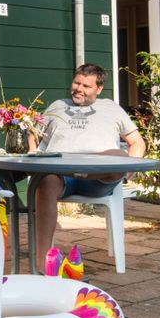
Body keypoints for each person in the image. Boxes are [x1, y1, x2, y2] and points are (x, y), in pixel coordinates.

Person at [32, 63, 146, 271]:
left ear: (99, 89)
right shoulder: (57, 106)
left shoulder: (111, 108)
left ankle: (83, 169)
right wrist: (33, 153)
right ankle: (42, 265)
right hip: (61, 177)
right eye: (77, 83)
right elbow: (33, 133)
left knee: (118, 157)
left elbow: (137, 142)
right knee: (45, 180)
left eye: (86, 86)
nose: (79, 89)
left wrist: (128, 172)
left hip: (99, 179)